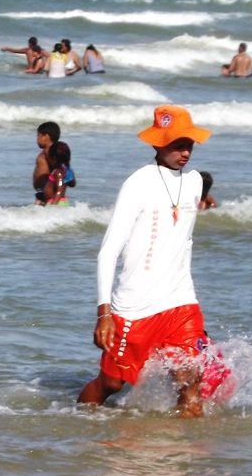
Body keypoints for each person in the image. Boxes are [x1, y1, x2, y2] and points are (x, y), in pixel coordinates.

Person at [78, 105, 220, 417]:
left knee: (190, 382)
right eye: (177, 145)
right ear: (158, 144)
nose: (184, 153)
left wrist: (204, 200)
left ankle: (182, 460)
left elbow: (196, 191)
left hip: (181, 302)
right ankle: (78, 423)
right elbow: (108, 251)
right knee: (112, 384)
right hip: (135, 306)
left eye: (189, 145)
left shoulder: (194, 182)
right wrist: (104, 313)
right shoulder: (137, 183)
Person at [38, 142, 74, 206]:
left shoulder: (58, 172)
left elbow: (59, 190)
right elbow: (73, 184)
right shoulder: (68, 170)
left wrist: (53, 207)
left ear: (54, 158)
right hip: (61, 202)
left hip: (56, 202)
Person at [33, 122, 60, 201]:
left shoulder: (49, 150)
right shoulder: (48, 151)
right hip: (43, 190)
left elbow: (57, 165)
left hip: (46, 191)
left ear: (46, 137)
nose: (37, 139)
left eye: (38, 136)